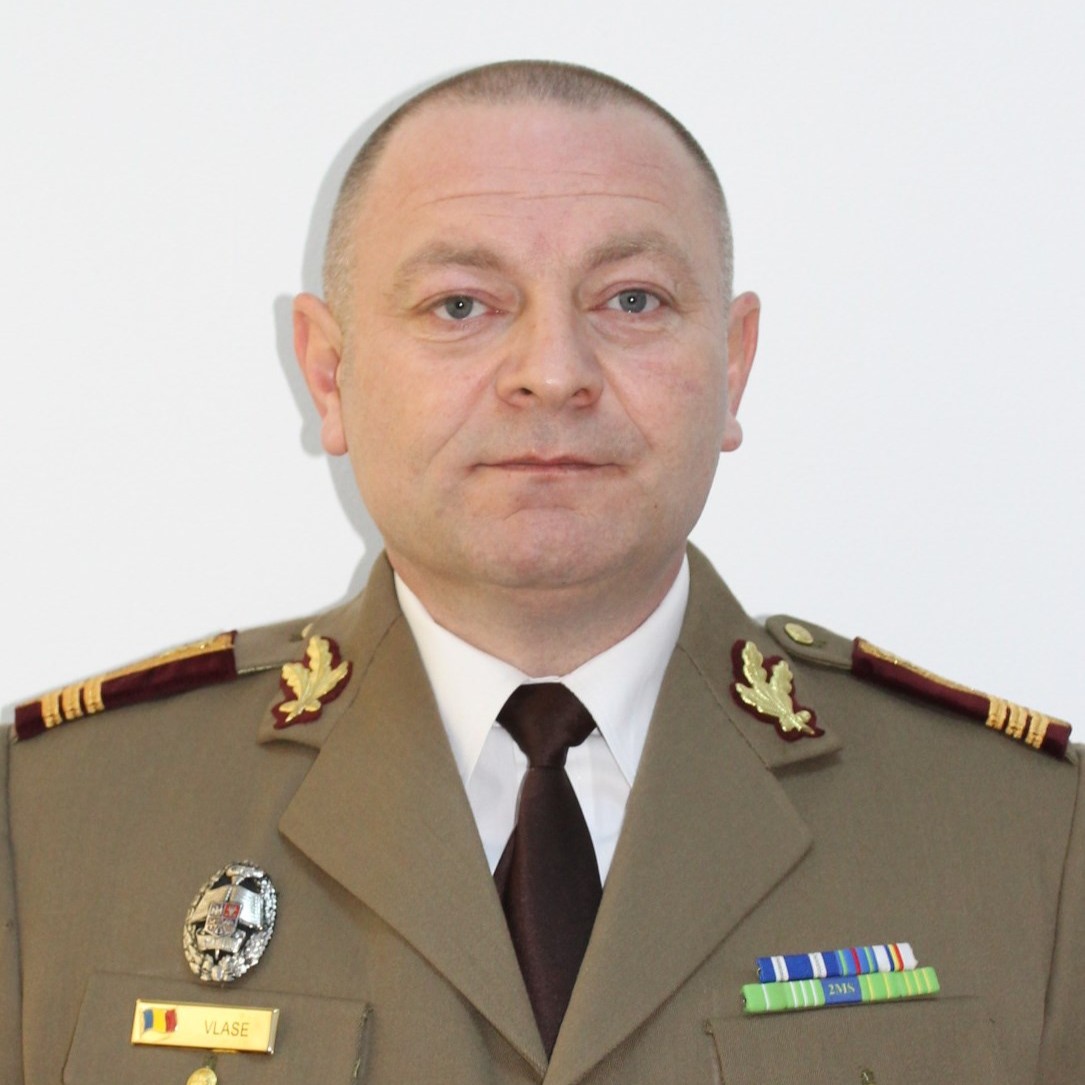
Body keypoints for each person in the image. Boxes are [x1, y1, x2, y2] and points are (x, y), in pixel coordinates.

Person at [1, 60, 1081, 1085]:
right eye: (460, 305)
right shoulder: (48, 827)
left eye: (632, 300)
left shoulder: (1028, 836)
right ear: (328, 375)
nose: (553, 374)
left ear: (732, 361)